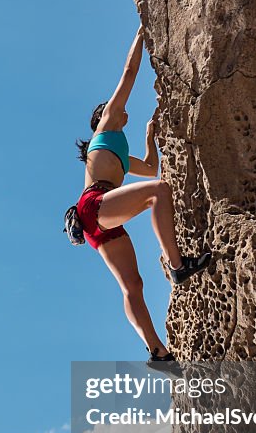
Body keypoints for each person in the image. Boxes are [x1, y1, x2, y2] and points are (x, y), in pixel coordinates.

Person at [74, 24, 211, 364]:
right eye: (116, 107)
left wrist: (150, 138)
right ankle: (178, 264)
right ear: (104, 116)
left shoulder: (117, 150)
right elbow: (129, 72)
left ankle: (158, 352)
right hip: (95, 204)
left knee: (133, 285)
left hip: (99, 220)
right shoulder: (106, 127)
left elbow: (150, 169)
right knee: (159, 192)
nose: (124, 110)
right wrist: (142, 33)